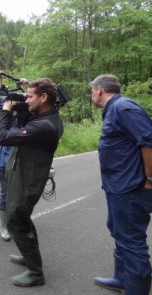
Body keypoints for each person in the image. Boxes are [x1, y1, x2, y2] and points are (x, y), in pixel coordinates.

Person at [0, 78, 64, 287]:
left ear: (44, 97)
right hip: (26, 174)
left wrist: (6, 111)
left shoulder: (44, 125)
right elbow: (27, 124)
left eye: (31, 96)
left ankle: (36, 273)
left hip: (29, 179)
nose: (27, 100)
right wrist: (22, 109)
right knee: (22, 218)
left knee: (16, 219)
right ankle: (28, 257)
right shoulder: (47, 117)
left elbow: (3, 137)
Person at [90, 74, 152, 295]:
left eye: (92, 92)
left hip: (131, 189)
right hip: (117, 188)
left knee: (131, 241)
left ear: (99, 90)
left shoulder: (123, 108)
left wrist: (149, 180)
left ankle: (137, 289)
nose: (92, 96)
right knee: (118, 230)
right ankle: (121, 279)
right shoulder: (113, 110)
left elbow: (149, 141)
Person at [0, 70, 29, 242]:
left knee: (21, 194)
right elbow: (2, 99)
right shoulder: (5, 114)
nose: (14, 103)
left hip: (23, 157)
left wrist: (27, 87)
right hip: (5, 159)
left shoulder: (26, 114)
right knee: (6, 193)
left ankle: (18, 221)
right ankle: (5, 226)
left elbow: (36, 104)